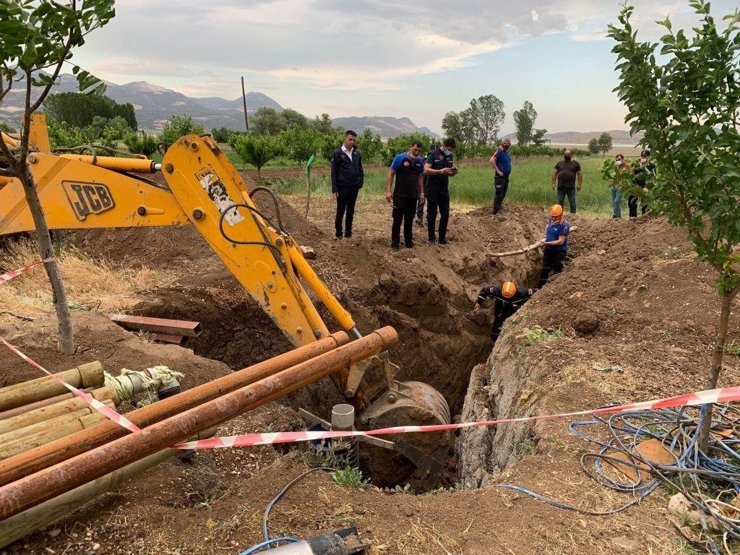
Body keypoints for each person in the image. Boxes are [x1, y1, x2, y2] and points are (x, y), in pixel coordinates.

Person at [386, 141, 425, 250]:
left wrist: (422, 192)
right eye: (415, 149)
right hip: (400, 195)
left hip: (413, 196)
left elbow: (420, 177)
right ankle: (395, 244)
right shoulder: (400, 158)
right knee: (397, 220)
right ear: (410, 147)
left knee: (409, 220)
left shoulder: (419, 161)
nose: (416, 152)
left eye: (418, 151)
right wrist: (388, 191)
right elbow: (391, 173)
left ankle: (408, 242)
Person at [424, 138, 458, 245]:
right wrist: (440, 171)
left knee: (445, 214)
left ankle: (442, 238)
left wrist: (452, 173)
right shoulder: (433, 154)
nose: (450, 151)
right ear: (444, 145)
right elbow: (426, 170)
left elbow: (447, 172)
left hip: (444, 189)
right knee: (432, 214)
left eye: (452, 150)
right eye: (449, 149)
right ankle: (431, 239)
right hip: (432, 189)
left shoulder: (450, 156)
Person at [331, 130, 364, 239]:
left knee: (351, 210)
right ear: (345, 138)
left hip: (354, 187)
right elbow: (334, 172)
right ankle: (339, 233)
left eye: (354, 140)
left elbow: (360, 168)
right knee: (341, 210)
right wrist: (335, 188)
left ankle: (348, 233)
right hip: (342, 187)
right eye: (350, 139)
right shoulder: (337, 153)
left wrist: (360, 181)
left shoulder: (356, 153)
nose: (352, 142)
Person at [538, 204, 570, 288]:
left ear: (561, 215)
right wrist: (545, 237)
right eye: (552, 216)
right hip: (548, 250)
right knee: (545, 268)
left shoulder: (564, 226)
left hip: (559, 252)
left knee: (556, 271)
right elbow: (548, 228)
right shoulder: (551, 220)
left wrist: (546, 243)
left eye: (556, 217)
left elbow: (560, 241)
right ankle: (539, 288)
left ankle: (553, 290)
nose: (554, 218)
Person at [551, 149, 583, 214]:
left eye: (568, 154)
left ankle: (573, 215)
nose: (566, 155)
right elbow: (554, 173)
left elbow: (580, 174)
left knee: (572, 201)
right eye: (565, 154)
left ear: (571, 155)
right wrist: (553, 183)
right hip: (561, 187)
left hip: (570, 187)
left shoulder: (576, 164)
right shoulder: (560, 163)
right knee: (560, 201)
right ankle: (559, 215)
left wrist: (579, 185)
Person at [629, 149, 656, 219]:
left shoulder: (652, 166)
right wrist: (636, 165)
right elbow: (631, 173)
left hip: (645, 186)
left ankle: (645, 216)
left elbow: (653, 178)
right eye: (642, 156)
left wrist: (648, 187)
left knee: (646, 201)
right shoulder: (637, 165)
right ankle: (633, 216)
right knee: (632, 200)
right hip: (636, 185)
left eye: (645, 156)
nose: (643, 157)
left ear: (649, 157)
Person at [415, 143, 437, 225]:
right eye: (432, 151)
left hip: (432, 183)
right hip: (423, 182)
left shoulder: (436, 160)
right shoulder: (424, 159)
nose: (433, 152)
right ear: (430, 151)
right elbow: (421, 172)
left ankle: (429, 218)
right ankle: (419, 217)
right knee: (421, 199)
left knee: (431, 201)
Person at [489, 138, 512, 215]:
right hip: (500, 177)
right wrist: (498, 171)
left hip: (506, 176)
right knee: (499, 194)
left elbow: (509, 161)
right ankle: (495, 212)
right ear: (502, 143)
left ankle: (498, 207)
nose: (506, 144)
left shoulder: (507, 152)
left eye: (508, 143)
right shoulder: (499, 151)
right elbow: (491, 160)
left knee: (503, 193)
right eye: (505, 143)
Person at [610, 153, 630, 219]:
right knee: (614, 201)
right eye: (617, 159)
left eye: (619, 159)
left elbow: (628, 175)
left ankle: (617, 215)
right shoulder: (615, 166)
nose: (618, 160)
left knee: (617, 201)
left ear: (622, 159)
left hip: (621, 186)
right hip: (614, 186)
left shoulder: (626, 166)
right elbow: (613, 176)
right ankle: (617, 215)